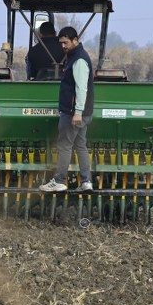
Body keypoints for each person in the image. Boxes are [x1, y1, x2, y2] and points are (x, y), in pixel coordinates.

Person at [39, 26, 94, 193]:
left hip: (73, 113)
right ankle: (86, 182)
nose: (63, 46)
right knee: (80, 145)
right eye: (61, 43)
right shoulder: (75, 56)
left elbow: (81, 88)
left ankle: (59, 180)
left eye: (66, 42)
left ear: (75, 40)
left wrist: (77, 112)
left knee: (64, 145)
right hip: (81, 112)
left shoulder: (79, 60)